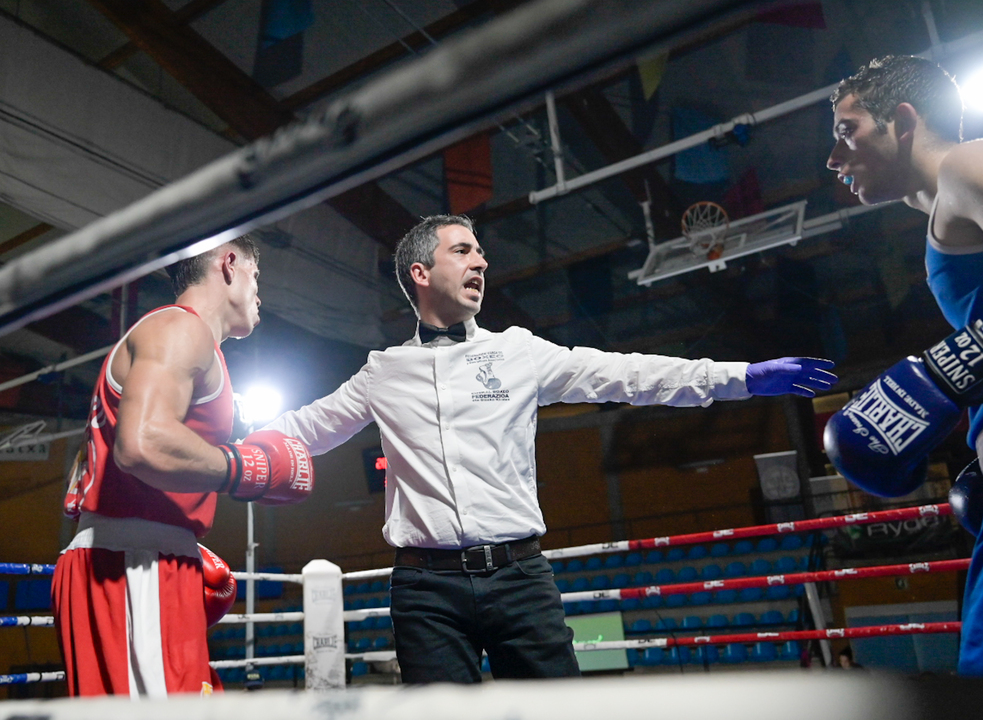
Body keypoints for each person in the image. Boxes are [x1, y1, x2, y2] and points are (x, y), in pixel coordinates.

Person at [265, 214, 837, 683]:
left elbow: (626, 374)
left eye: (481, 253)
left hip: (519, 578)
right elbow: (301, 430)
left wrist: (740, 377)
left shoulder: (518, 351)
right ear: (420, 272)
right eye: (462, 251)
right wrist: (215, 442)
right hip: (424, 589)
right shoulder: (383, 372)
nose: (481, 263)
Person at [822, 55, 983, 676]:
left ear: (902, 120)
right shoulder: (954, 211)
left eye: (847, 132)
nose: (834, 158)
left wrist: (950, 373)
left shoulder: (972, 164)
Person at [51, 236, 315, 697]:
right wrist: (246, 468)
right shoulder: (180, 328)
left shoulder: (186, 339)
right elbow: (142, 444)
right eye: (256, 276)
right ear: (228, 263)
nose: (259, 293)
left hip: (137, 554)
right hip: (131, 564)